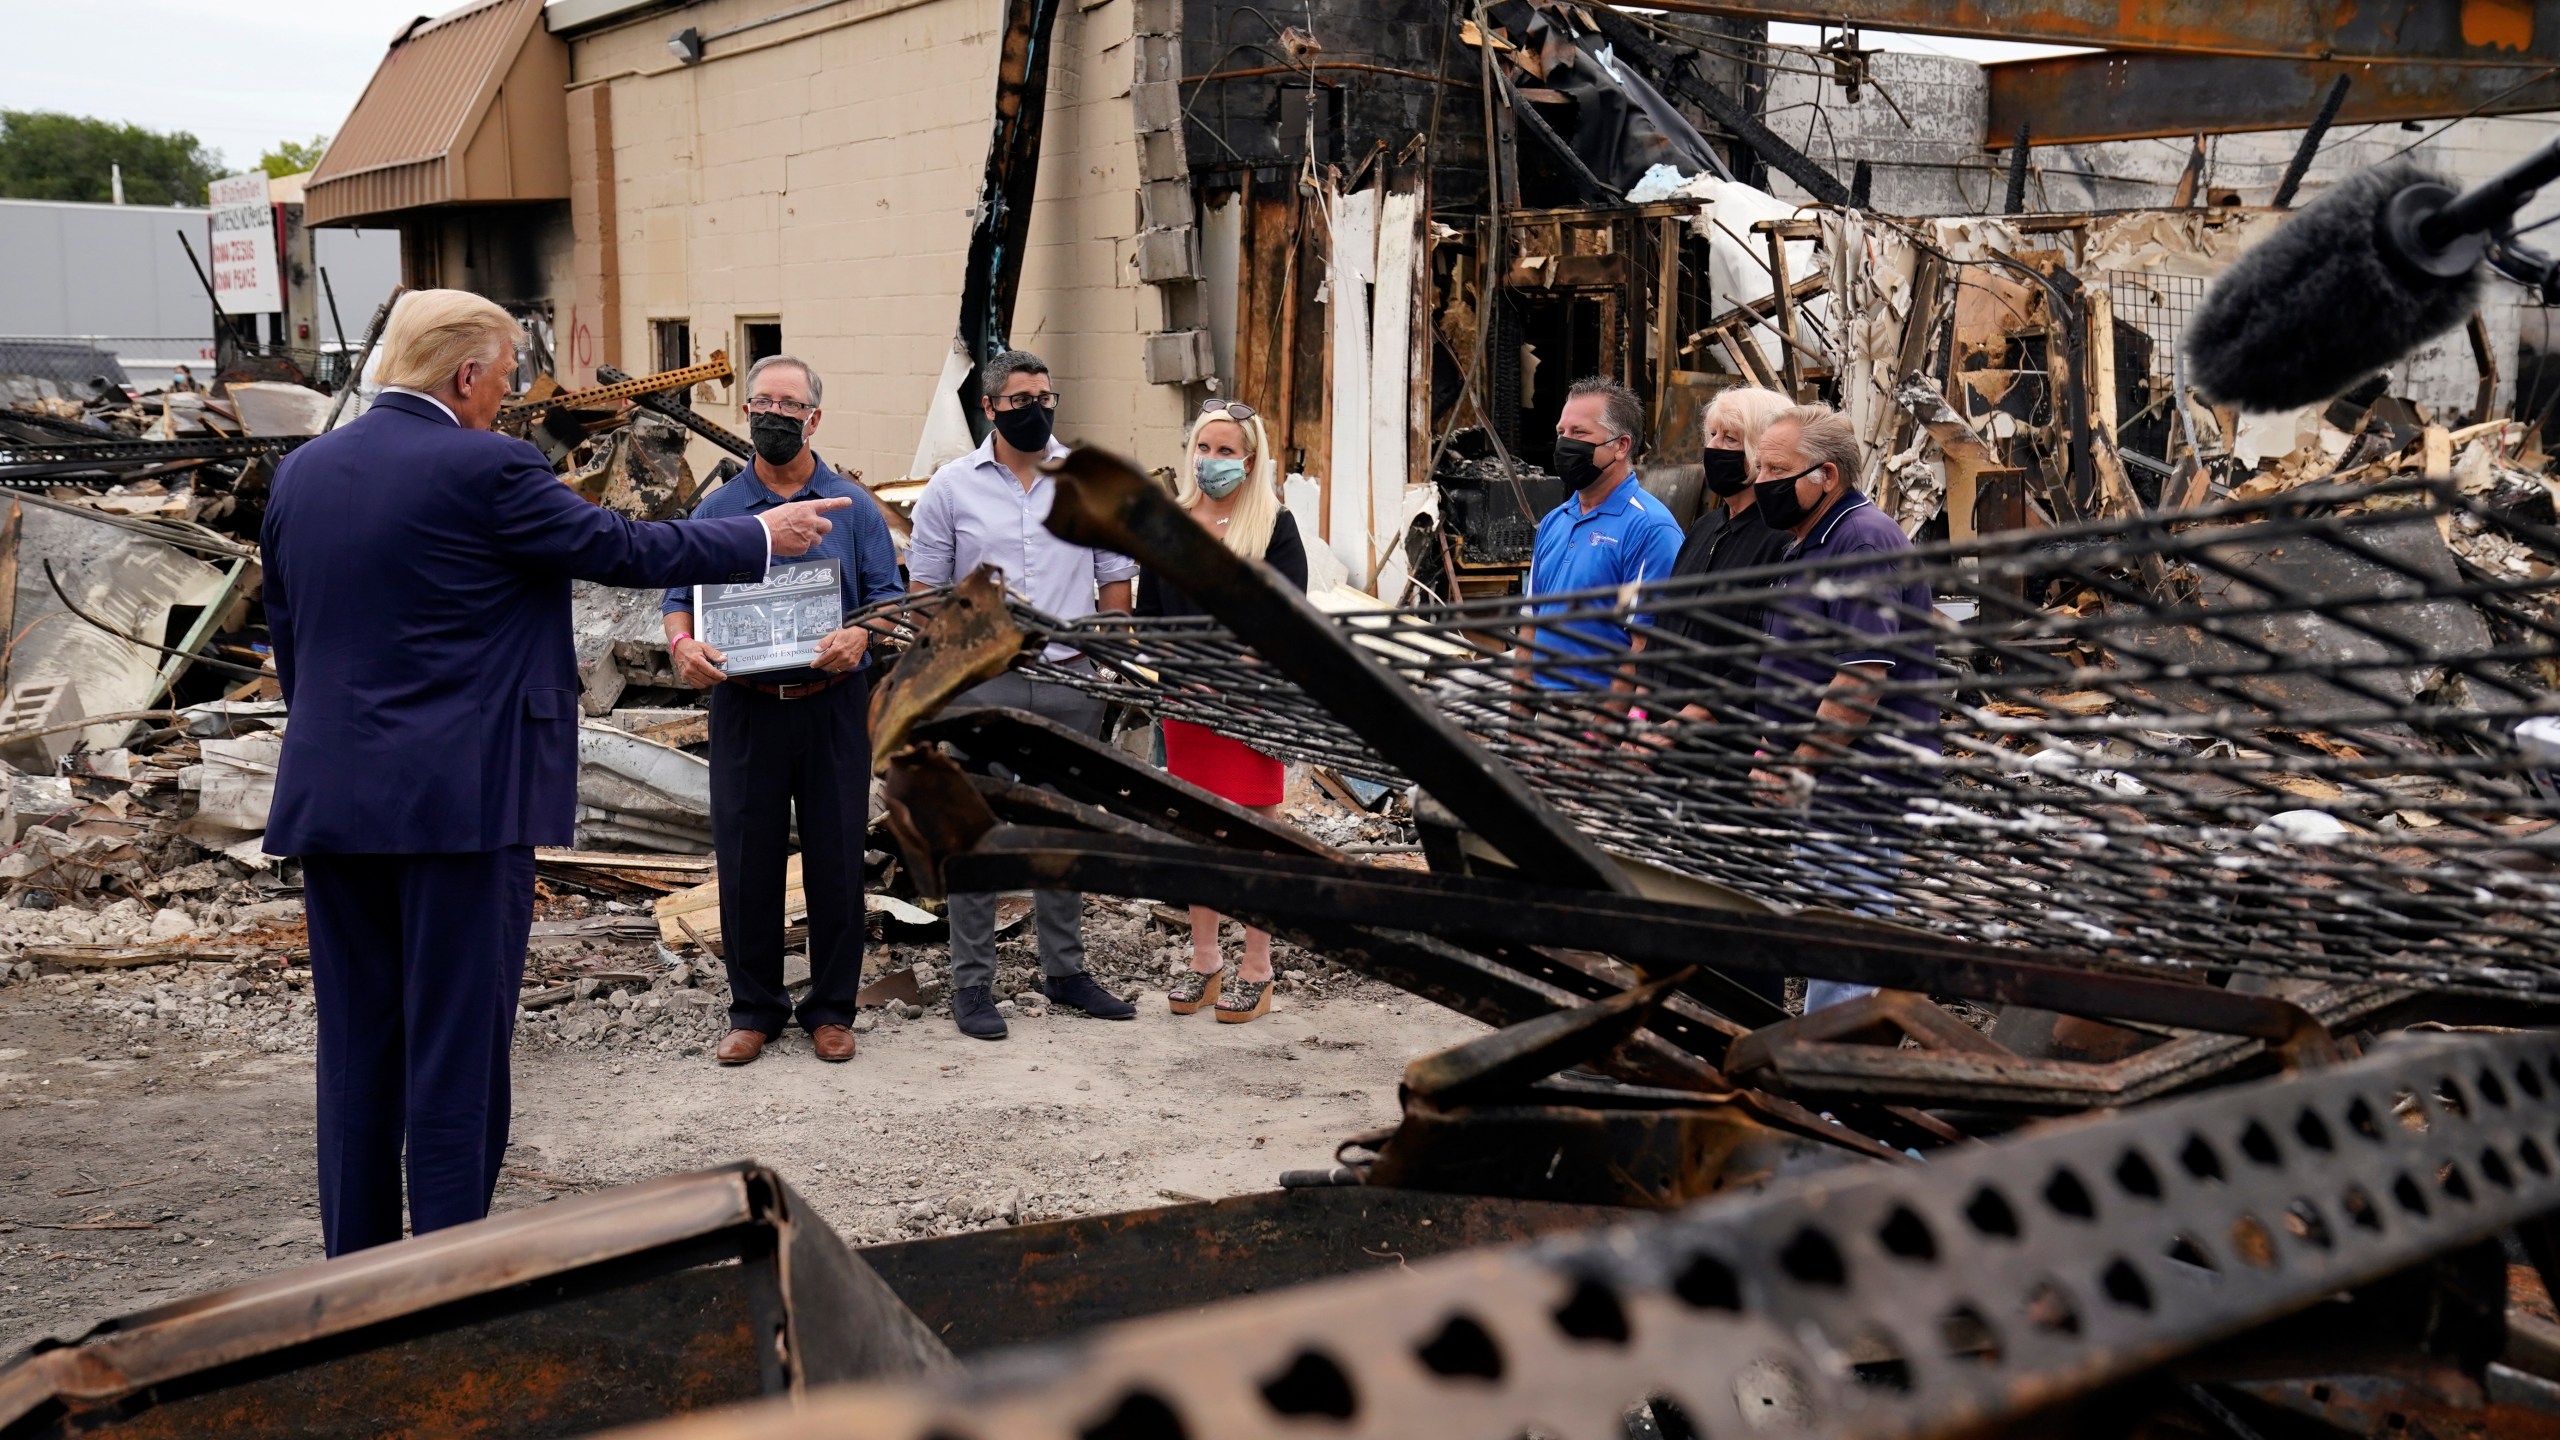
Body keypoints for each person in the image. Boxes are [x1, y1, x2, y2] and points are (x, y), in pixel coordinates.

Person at [262, 289, 848, 1255]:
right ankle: (449, 1273)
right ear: (464, 375)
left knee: (358, 1048)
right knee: (455, 1050)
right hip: (461, 806)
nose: (511, 393)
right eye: (504, 374)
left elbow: (294, 643)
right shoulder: (487, 464)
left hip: (334, 801)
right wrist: (759, 537)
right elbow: (618, 547)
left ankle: (352, 1276)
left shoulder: (304, 473)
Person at [663, 355, 903, 1068]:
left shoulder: (852, 508)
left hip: (832, 704)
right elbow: (679, 597)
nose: (773, 414)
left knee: (834, 858)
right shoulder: (717, 511)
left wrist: (862, 633)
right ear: (745, 414)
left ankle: (831, 1009)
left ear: (815, 419)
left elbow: (889, 599)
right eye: (761, 401)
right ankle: (755, 1010)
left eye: (789, 405)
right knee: (746, 861)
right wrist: (682, 644)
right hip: (746, 705)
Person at [908, 348, 1140, 1039]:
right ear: (989, 408)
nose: (1036, 408)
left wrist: (1106, 664)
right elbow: (926, 596)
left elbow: (1115, 588)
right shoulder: (951, 488)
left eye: (1045, 396)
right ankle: (973, 984)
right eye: (1020, 400)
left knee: (1060, 831)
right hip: (982, 686)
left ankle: (1064, 971)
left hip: (1069, 681)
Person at [1746, 405, 1939, 1013]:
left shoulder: (1863, 540)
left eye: (1777, 469)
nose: (1760, 480)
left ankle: (1833, 1094)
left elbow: (1859, 682)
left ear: (1826, 476)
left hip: (1861, 783)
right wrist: (1772, 750)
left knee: (1846, 942)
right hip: (1825, 778)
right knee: (1825, 927)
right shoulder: (1803, 543)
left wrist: (1798, 764)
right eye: (1759, 466)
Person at [1135, 399, 1308, 1024]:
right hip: (1188, 708)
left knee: (1257, 835)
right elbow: (1148, 620)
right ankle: (1205, 959)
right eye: (1204, 449)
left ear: (1251, 458)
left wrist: (1235, 676)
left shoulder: (1272, 525)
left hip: (1251, 708)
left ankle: (1257, 968)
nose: (1211, 461)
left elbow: (1288, 621)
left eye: (1226, 451)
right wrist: (1184, 674)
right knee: (1196, 833)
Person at [1639, 385, 1796, 709]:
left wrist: (1677, 728)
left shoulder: (1781, 540)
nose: (1712, 447)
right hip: (1658, 732)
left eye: (1730, 439)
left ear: (1761, 451)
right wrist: (1639, 715)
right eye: (1712, 434)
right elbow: (1662, 630)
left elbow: (1754, 664)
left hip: (1717, 744)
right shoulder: (1704, 528)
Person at [1521, 377, 1683, 689]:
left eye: (1579, 433)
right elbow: (1530, 625)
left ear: (1621, 446)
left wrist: (1601, 729)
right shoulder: (1555, 521)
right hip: (1542, 714)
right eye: (1561, 433)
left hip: (1595, 719)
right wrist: (1520, 716)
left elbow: (1643, 646)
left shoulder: (1650, 528)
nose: (1565, 442)